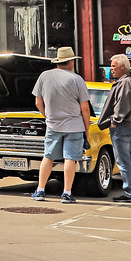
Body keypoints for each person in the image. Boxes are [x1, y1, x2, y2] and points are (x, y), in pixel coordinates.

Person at [30, 46, 91, 204]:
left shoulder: (44, 76)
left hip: (53, 124)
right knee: (70, 158)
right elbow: (85, 108)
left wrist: (47, 115)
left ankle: (40, 190)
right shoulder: (77, 79)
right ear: (71, 62)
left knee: (48, 156)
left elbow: (38, 102)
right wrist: (87, 130)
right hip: (75, 126)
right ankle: (67, 193)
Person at [99, 54, 131, 203]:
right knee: (130, 160)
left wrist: (115, 120)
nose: (111, 68)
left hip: (122, 127)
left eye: (114, 66)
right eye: (111, 66)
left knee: (123, 161)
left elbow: (122, 107)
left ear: (123, 67)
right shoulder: (127, 82)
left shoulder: (125, 83)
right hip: (127, 126)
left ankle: (130, 193)